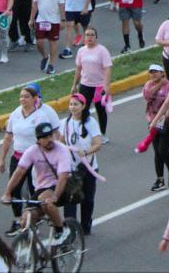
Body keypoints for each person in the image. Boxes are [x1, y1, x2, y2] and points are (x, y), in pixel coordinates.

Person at [1, 122, 72, 247]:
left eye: (50, 136)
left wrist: (55, 196)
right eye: (45, 137)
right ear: (38, 140)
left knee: (45, 200)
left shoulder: (62, 150)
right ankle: (35, 253)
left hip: (62, 187)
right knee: (26, 219)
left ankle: (62, 229)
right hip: (42, 188)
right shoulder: (32, 151)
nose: (49, 139)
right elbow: (19, 172)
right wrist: (7, 193)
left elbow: (63, 177)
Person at [0, 84, 61, 224]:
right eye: (21, 96)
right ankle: (18, 219)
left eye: (26, 96)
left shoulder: (41, 116)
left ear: (35, 99)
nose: (23, 99)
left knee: (35, 190)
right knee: (15, 189)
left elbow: (47, 138)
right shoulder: (15, 113)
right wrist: (2, 159)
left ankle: (35, 217)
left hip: (36, 159)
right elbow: (8, 137)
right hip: (18, 157)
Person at [60, 93, 103, 237]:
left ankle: (86, 226)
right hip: (71, 169)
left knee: (88, 199)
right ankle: (70, 230)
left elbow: (98, 143)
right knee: (70, 199)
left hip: (88, 168)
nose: (73, 107)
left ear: (83, 106)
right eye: (71, 104)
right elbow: (61, 142)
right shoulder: (65, 123)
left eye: (76, 104)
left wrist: (86, 152)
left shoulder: (90, 122)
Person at [139, 64, 169, 191]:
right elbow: (147, 96)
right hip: (153, 120)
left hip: (167, 122)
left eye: (156, 72)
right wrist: (159, 85)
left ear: (162, 73)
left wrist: (167, 116)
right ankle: (160, 179)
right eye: (151, 72)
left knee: (163, 150)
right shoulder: (149, 85)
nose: (153, 74)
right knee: (157, 152)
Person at [71, 27, 113, 134]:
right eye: (87, 35)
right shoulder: (81, 51)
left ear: (96, 37)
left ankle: (102, 134)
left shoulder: (102, 50)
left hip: (99, 86)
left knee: (101, 111)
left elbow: (107, 68)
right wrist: (74, 85)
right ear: (84, 37)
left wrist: (106, 85)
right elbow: (78, 68)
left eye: (92, 35)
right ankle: (84, 131)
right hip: (85, 85)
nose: (89, 37)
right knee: (83, 109)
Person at [29, 0, 65, 74]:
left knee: (52, 42)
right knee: (39, 42)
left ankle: (51, 64)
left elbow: (61, 4)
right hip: (41, 19)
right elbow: (35, 4)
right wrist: (31, 19)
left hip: (54, 20)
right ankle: (45, 57)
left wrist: (62, 19)